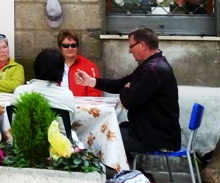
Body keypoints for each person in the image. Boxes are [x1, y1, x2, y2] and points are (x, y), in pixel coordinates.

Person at [74, 27, 180, 157]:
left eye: (131, 46)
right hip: (148, 131)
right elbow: (121, 83)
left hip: (156, 137)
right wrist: (91, 81)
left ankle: (116, 169)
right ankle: (126, 167)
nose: (129, 51)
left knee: (101, 138)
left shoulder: (153, 70)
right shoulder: (151, 65)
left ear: (142, 45)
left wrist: (126, 89)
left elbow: (129, 102)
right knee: (106, 131)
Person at [13, 48, 76, 114]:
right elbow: (72, 118)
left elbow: (12, 118)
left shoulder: (20, 91)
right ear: (61, 71)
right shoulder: (67, 95)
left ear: (36, 67)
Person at [58, 30, 103, 97]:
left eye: (73, 45)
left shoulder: (89, 66)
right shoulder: (54, 65)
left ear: (77, 46)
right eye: (66, 46)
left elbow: (95, 93)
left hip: (81, 103)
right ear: (60, 47)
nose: (70, 48)